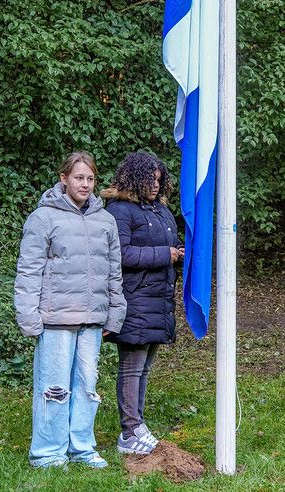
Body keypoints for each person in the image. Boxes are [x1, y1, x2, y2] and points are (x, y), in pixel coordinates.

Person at [14, 151, 127, 468]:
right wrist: (28, 317)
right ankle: (48, 453)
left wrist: (114, 313)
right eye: (79, 177)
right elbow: (28, 270)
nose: (85, 184)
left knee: (86, 387)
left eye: (90, 178)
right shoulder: (43, 218)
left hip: (92, 320)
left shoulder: (105, 220)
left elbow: (113, 272)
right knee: (54, 389)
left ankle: (82, 447)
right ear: (64, 179)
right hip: (55, 320)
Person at [101, 151, 183, 455]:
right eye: (150, 179)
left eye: (159, 180)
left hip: (157, 299)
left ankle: (138, 424)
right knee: (132, 367)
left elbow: (163, 246)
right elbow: (120, 254)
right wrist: (166, 254)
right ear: (133, 177)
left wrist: (177, 251)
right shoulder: (120, 210)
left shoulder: (159, 211)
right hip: (133, 300)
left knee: (145, 367)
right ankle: (129, 431)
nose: (155, 185)